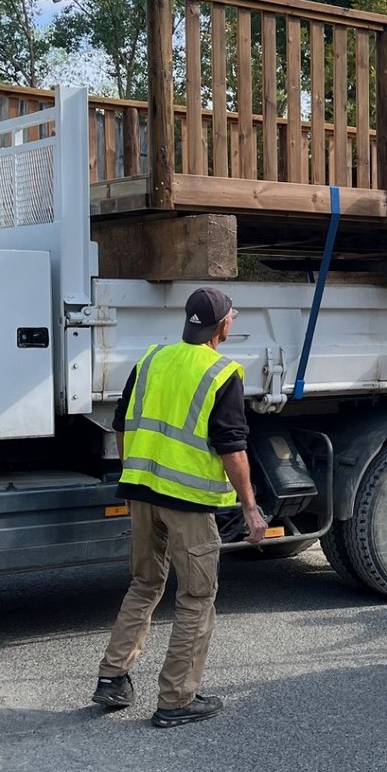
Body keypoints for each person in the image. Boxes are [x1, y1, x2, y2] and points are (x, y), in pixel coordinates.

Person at [91, 286, 267, 728]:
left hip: (143, 491)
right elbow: (232, 447)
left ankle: (112, 678)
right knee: (196, 597)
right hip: (188, 503)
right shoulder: (222, 371)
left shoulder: (152, 358)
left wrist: (132, 478)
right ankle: (175, 700)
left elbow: (122, 422)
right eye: (233, 317)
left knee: (145, 583)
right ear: (223, 325)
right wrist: (250, 508)